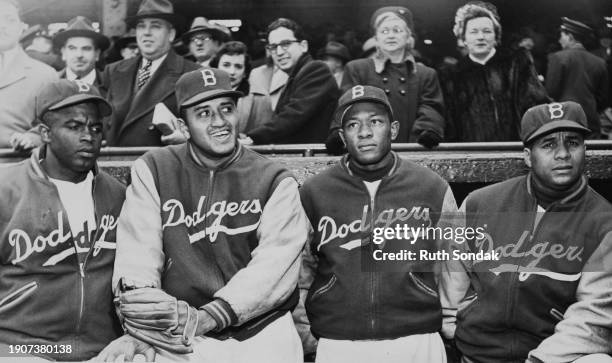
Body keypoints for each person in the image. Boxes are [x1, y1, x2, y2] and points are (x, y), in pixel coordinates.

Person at [96, 68, 309, 363]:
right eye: (204, 113)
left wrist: (209, 316)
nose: (220, 122)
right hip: (179, 329)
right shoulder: (156, 168)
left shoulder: (273, 178)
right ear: (183, 125)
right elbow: (139, 255)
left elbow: (274, 268)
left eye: (226, 109)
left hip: (261, 328)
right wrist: (142, 324)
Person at [297, 85, 459, 363]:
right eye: (352, 124)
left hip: (416, 338)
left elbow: (453, 261)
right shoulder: (315, 191)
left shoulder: (431, 187)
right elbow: (300, 270)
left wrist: (449, 319)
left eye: (375, 121)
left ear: (393, 129)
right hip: (339, 340)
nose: (364, 132)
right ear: (341, 135)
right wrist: (305, 331)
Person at [445, 101, 612, 362]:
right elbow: (452, 282)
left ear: (585, 149)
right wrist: (453, 328)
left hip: (549, 357)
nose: (563, 154)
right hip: (477, 353)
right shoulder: (481, 203)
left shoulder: (603, 222)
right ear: (527, 156)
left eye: (573, 142)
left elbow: (592, 317)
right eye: (548, 145)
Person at [0, 79, 126, 361]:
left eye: (95, 128)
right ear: (45, 133)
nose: (88, 136)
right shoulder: (6, 190)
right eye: (74, 126)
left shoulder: (117, 195)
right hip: (21, 347)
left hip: (100, 348)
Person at [329, 6, 445, 153]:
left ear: (408, 37)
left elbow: (431, 107)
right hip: (367, 150)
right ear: (376, 39)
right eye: (384, 31)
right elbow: (346, 107)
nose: (391, 35)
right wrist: (338, 132)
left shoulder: (426, 74)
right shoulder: (357, 69)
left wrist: (428, 131)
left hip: (413, 150)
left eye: (397, 30)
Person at [438, 1, 549, 142]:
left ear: (496, 37)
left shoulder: (516, 64)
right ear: (463, 38)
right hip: (472, 153)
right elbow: (449, 121)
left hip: (515, 148)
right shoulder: (451, 75)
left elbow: (536, 104)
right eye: (473, 32)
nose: (480, 37)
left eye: (487, 31)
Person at [102, 0, 199, 147]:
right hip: (116, 164)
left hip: (160, 165)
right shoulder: (114, 70)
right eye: (141, 26)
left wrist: (188, 140)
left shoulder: (192, 74)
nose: (146, 32)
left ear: (171, 34)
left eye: (155, 26)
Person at [242, 17, 339, 145]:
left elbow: (293, 115)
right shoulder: (296, 75)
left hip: (313, 159)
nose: (279, 52)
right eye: (273, 47)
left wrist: (254, 138)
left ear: (303, 46)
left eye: (286, 44)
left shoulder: (316, 70)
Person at [0, 0, 58, 151]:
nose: (2, 26)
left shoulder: (44, 75)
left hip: (17, 163)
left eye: (9, 20)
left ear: (22, 27)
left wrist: (32, 138)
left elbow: (56, 124)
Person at [546, 17, 609, 139]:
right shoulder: (600, 62)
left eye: (562, 35)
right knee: (591, 156)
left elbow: (551, 92)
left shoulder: (558, 58)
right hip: (590, 120)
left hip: (563, 118)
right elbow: (604, 98)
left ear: (570, 36)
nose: (559, 40)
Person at [53, 16, 110, 90]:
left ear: (97, 54)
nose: (79, 55)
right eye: (72, 48)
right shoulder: (51, 83)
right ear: (63, 53)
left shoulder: (111, 84)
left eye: (86, 49)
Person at [210, 41, 252, 133]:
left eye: (238, 67)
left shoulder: (257, 99)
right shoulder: (204, 95)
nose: (232, 72)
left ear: (245, 73)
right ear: (216, 68)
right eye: (226, 65)